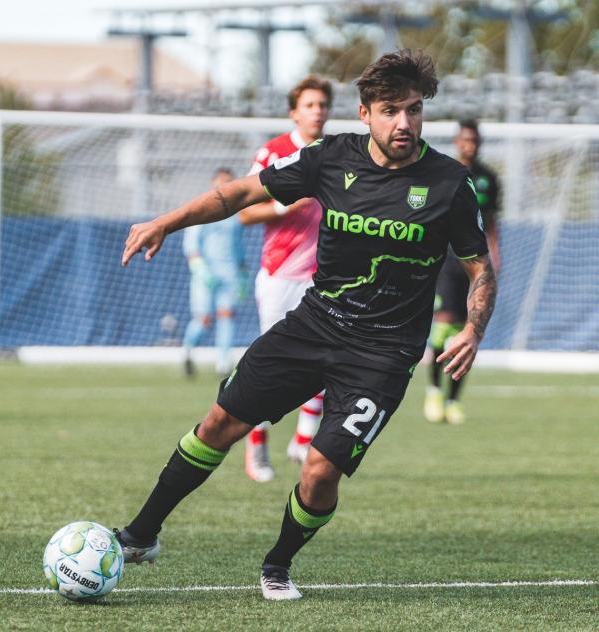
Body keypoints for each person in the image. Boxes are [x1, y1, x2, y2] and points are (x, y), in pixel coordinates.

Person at [117, 49, 497, 601]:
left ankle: (277, 565)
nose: (404, 123)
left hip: (384, 354)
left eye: (414, 111)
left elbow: (478, 266)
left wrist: (473, 327)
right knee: (218, 422)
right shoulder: (330, 158)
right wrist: (165, 222)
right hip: (313, 326)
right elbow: (243, 194)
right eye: (391, 110)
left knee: (319, 471)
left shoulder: (448, 183)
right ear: (365, 113)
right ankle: (140, 534)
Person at [239, 75, 333, 483]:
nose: (317, 111)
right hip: (279, 275)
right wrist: (283, 207)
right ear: (294, 111)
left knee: (329, 361)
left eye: (323, 105)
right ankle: (256, 448)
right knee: (270, 370)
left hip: (324, 278)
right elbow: (244, 212)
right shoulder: (275, 153)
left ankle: (303, 439)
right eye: (309, 105)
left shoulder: (338, 154)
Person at [423, 119, 500, 425]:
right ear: (458, 142)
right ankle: (432, 390)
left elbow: (492, 221)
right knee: (443, 325)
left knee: (466, 329)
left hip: (476, 262)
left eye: (475, 141)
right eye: (465, 140)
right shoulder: (445, 174)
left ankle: (453, 400)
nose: (470, 145)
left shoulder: (488, 179)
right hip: (447, 259)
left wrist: (495, 256)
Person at [182, 168, 246, 377]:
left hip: (229, 273)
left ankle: (223, 363)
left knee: (227, 316)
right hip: (206, 274)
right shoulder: (203, 209)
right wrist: (199, 268)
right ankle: (188, 352)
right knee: (203, 319)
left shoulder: (236, 215)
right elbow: (191, 244)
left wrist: (243, 269)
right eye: (220, 183)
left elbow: (238, 245)